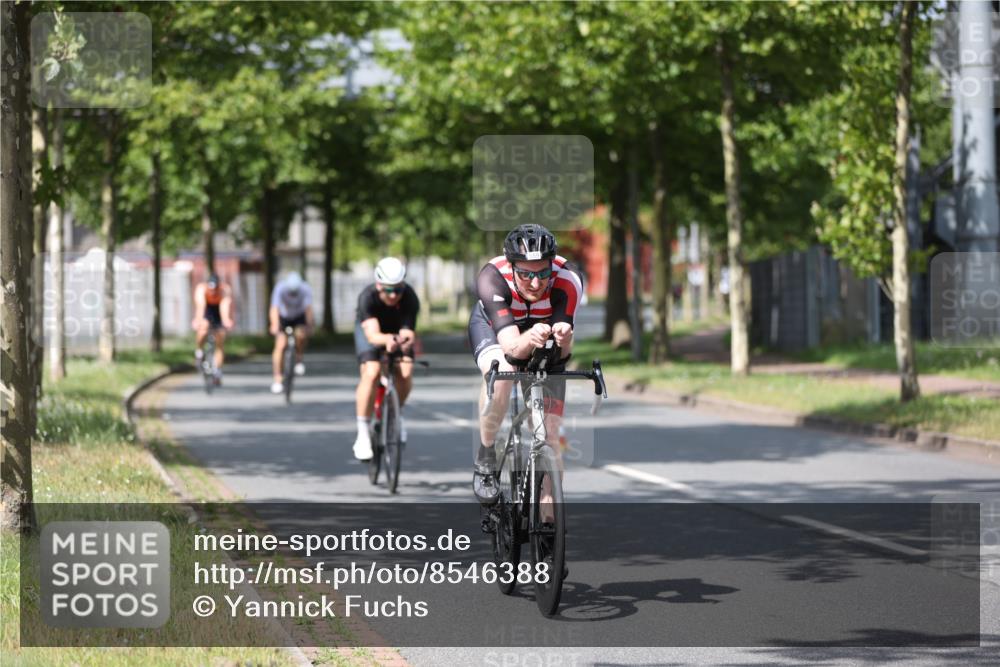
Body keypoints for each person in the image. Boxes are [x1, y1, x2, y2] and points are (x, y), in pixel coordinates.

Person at [468, 223, 583, 505]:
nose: (535, 283)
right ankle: (485, 458)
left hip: (538, 332)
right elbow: (511, 350)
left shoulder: (569, 281)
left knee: (550, 434)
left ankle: (547, 519)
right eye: (525, 274)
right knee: (503, 374)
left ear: (552, 267)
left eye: (543, 273)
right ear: (512, 267)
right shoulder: (492, 278)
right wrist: (530, 338)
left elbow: (563, 357)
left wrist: (564, 338)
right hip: (497, 329)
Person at [352, 257, 420, 460]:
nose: (393, 295)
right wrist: (388, 340)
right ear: (378, 284)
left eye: (397, 289)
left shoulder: (409, 297)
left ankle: (394, 414)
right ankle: (363, 432)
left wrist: (404, 342)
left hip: (396, 333)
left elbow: (408, 332)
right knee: (371, 372)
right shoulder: (368, 297)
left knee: (405, 371)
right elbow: (372, 336)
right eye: (388, 289)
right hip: (372, 333)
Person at [269, 271, 315, 394]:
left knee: (301, 335)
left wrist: (309, 325)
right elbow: (274, 308)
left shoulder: (305, 289)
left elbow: (308, 310)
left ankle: (299, 358)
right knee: (280, 345)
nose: (293, 295)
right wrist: (274, 324)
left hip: (299, 316)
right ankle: (278, 378)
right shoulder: (280, 288)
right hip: (284, 317)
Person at [192, 273, 234, 384]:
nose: (213, 291)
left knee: (220, 339)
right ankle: (199, 351)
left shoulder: (224, 290)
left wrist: (226, 320)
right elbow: (201, 307)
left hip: (218, 312)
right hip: (207, 310)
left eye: (215, 289)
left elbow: (224, 307)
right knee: (203, 328)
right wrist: (198, 320)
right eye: (210, 289)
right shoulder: (201, 289)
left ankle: (217, 371)